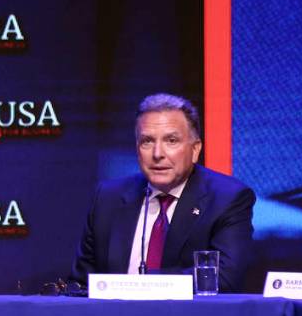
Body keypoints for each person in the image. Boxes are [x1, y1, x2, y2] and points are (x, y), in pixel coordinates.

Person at [71, 93, 255, 292]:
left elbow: (224, 279)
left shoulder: (227, 198)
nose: (157, 154)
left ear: (195, 149)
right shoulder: (108, 198)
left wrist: (142, 286)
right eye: (147, 141)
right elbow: (82, 282)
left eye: (171, 141)